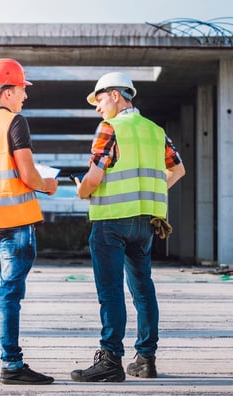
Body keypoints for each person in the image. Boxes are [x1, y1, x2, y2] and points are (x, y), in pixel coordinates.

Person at [70, 72, 185, 382]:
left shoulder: (110, 127)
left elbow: (94, 178)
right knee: (143, 290)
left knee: (110, 293)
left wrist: (82, 190)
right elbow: (178, 169)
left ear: (116, 96)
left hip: (111, 222)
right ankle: (145, 359)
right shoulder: (155, 130)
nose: (97, 107)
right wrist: (150, 192)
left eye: (100, 99)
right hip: (144, 224)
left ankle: (110, 360)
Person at [0, 58, 58, 385]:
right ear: (6, 92)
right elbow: (29, 175)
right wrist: (47, 184)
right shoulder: (15, 122)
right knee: (10, 294)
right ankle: (12, 366)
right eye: (21, 90)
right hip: (15, 225)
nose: (25, 97)